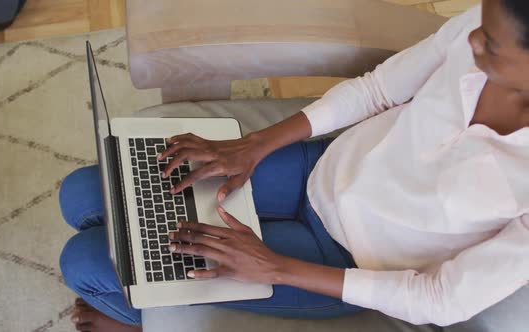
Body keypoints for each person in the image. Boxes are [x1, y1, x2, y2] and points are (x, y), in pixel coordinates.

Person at [58, 0, 529, 331]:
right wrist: (253, 145)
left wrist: (274, 268)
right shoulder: (483, 26)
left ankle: (137, 321)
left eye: (490, 42)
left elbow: (444, 297)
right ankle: (146, 303)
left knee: (85, 260)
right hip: (320, 170)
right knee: (81, 193)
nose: (470, 39)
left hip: (341, 262)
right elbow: (378, 89)